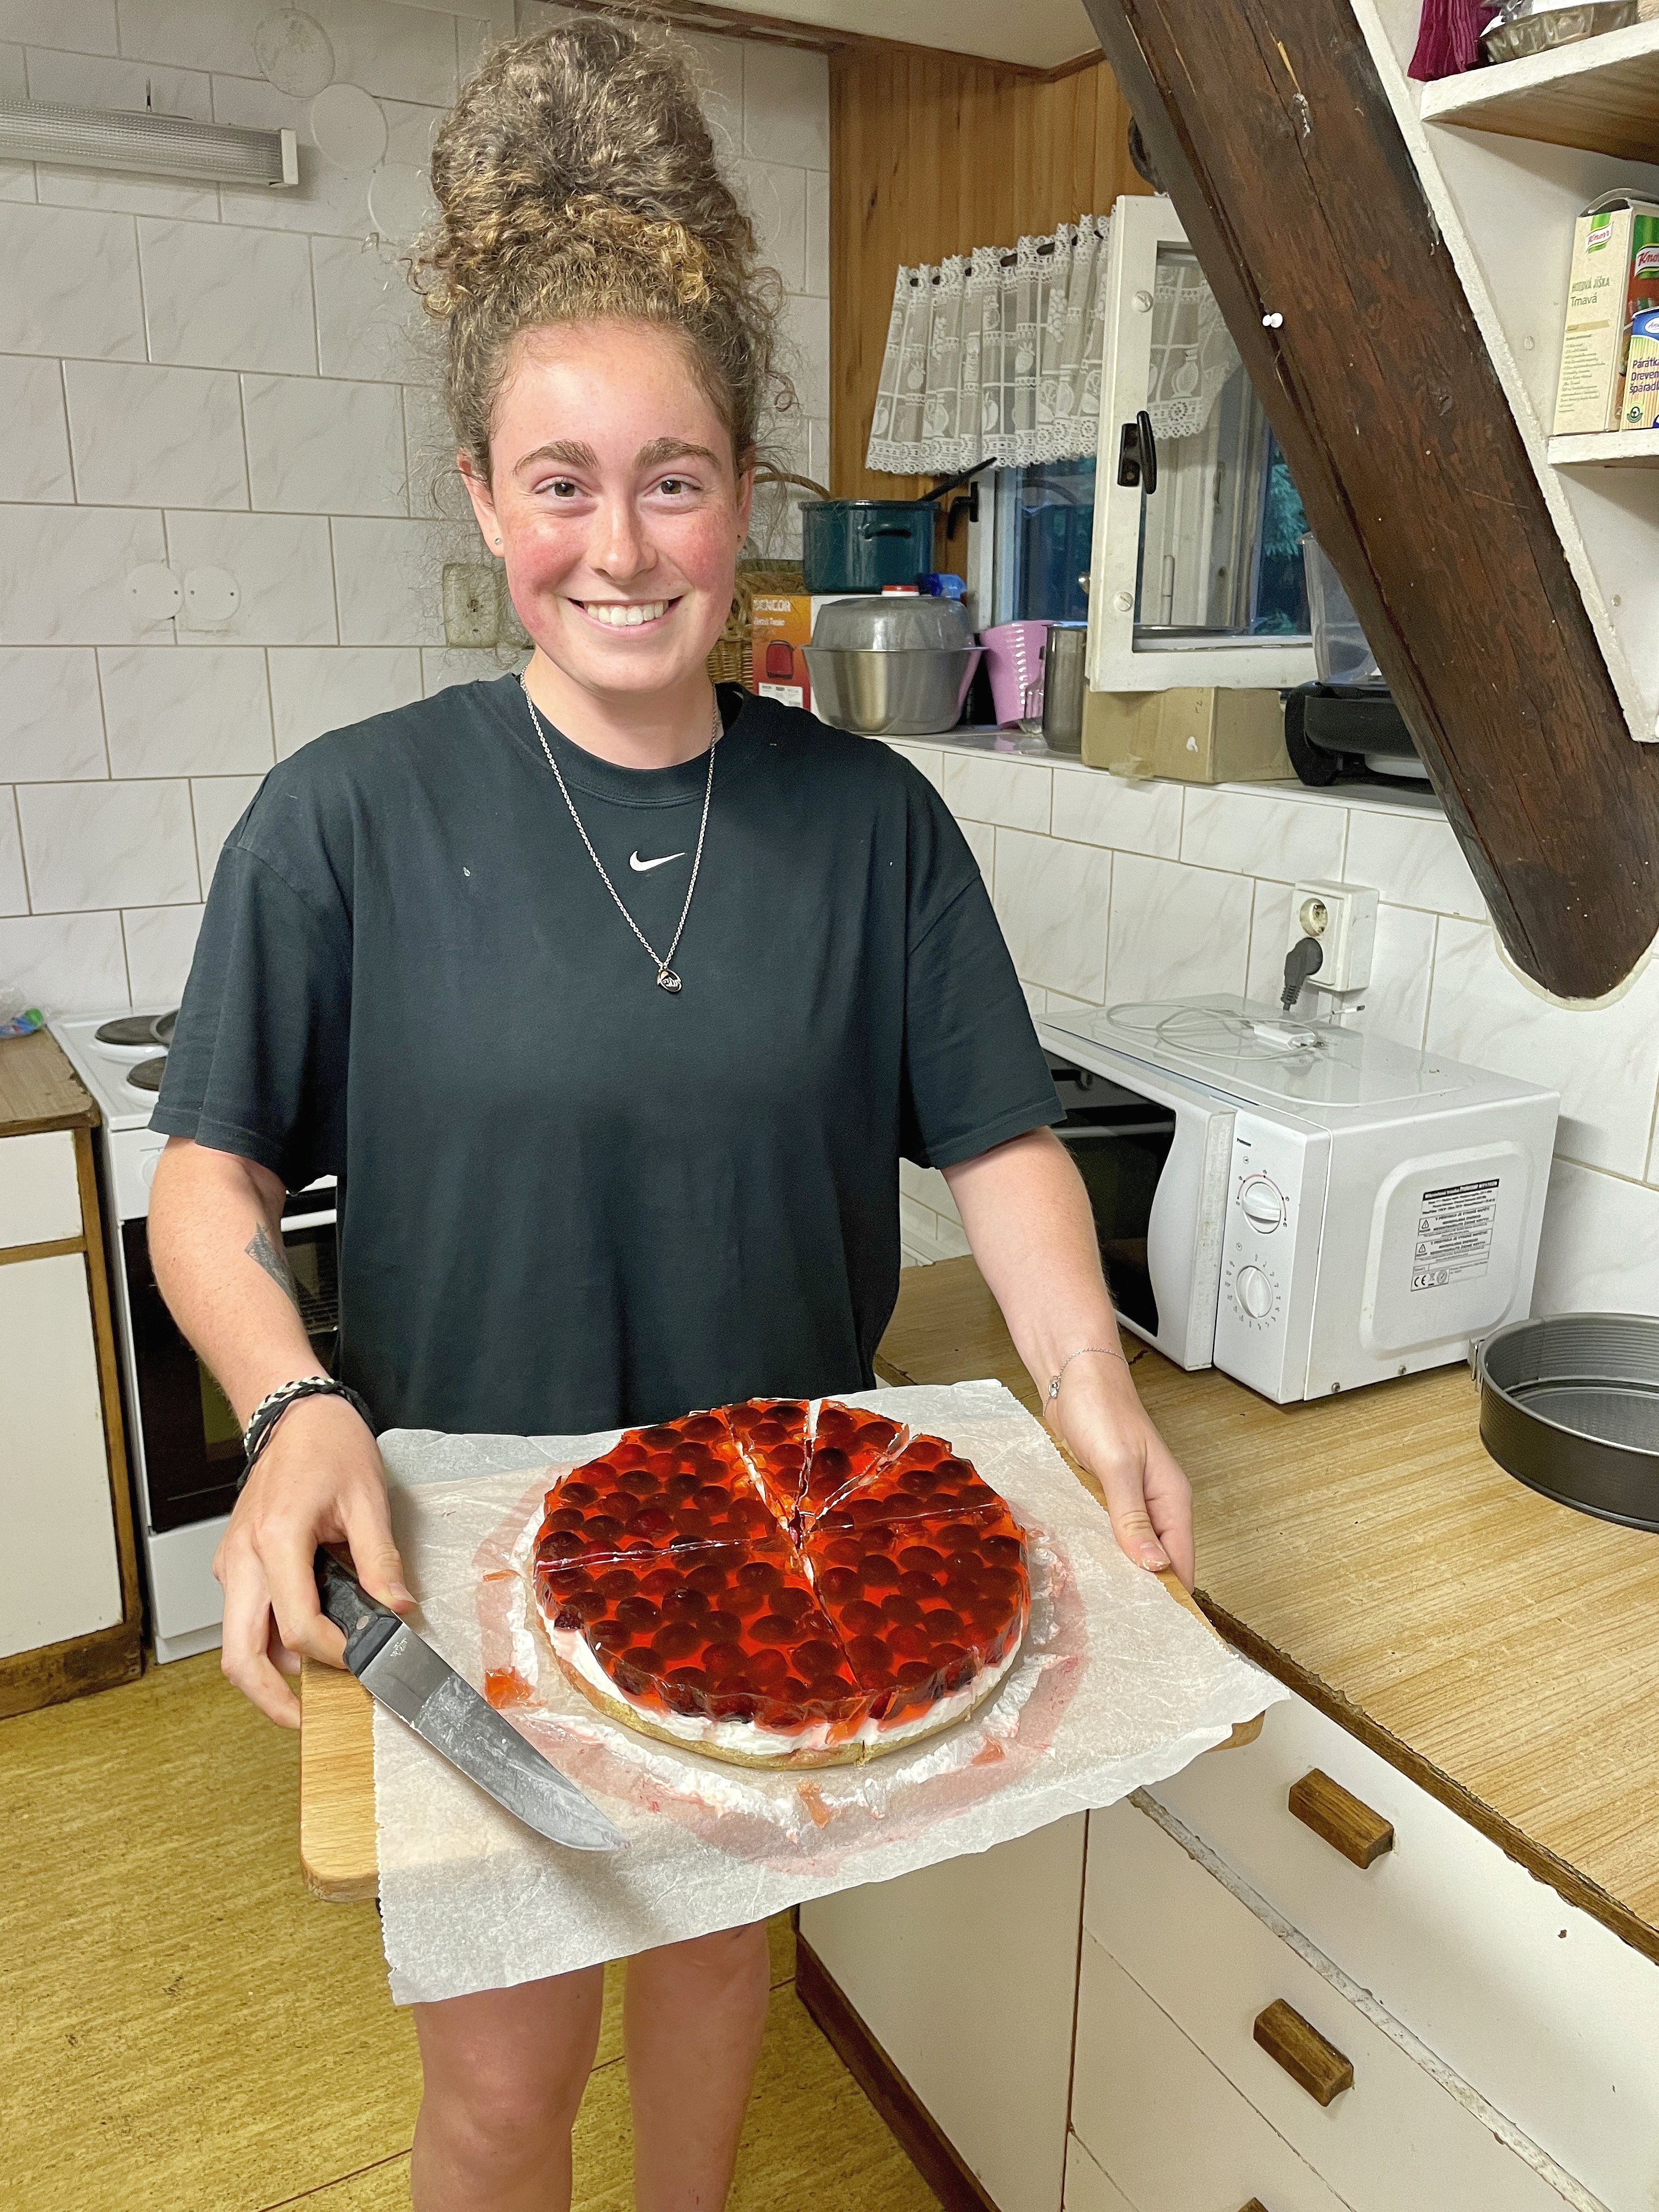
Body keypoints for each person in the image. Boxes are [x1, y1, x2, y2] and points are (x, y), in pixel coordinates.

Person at [148, 20, 1194, 2211]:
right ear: (479, 496)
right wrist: (290, 1406)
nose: (620, 545)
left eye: (676, 478)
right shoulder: (343, 822)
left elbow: (998, 1140)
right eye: (562, 481)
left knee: (717, 2013)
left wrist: (1093, 1397)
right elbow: (208, 1176)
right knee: (503, 2094)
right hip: (475, 1583)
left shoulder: (875, 826)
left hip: (790, 1585)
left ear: (746, 494)